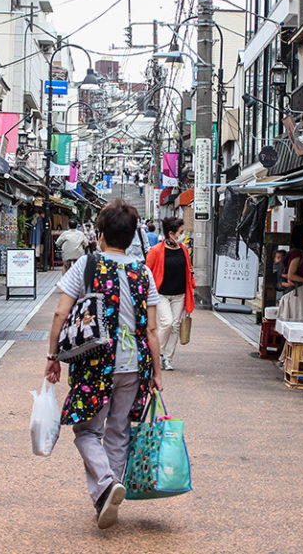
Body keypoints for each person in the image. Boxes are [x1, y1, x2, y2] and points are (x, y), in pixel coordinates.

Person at [45, 200, 163, 530]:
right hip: (134, 364)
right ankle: (105, 495)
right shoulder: (144, 273)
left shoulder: (86, 265)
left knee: (86, 430)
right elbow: (152, 329)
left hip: (94, 363)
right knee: (119, 430)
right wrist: (156, 372)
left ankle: (107, 485)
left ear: (100, 235)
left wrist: (53, 357)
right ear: (132, 236)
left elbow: (60, 313)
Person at [145, 216, 195, 371]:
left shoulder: (184, 250)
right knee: (166, 322)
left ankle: (167, 358)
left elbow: (188, 269)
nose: (183, 235)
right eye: (180, 232)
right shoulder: (155, 251)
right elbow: (146, 272)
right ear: (171, 234)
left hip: (180, 294)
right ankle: (155, 354)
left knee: (175, 325)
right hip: (161, 294)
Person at [279, 223, 303, 321]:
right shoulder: (297, 253)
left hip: (294, 292)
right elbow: (291, 275)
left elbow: (295, 272)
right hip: (294, 292)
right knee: (298, 319)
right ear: (302, 237)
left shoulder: (297, 252)